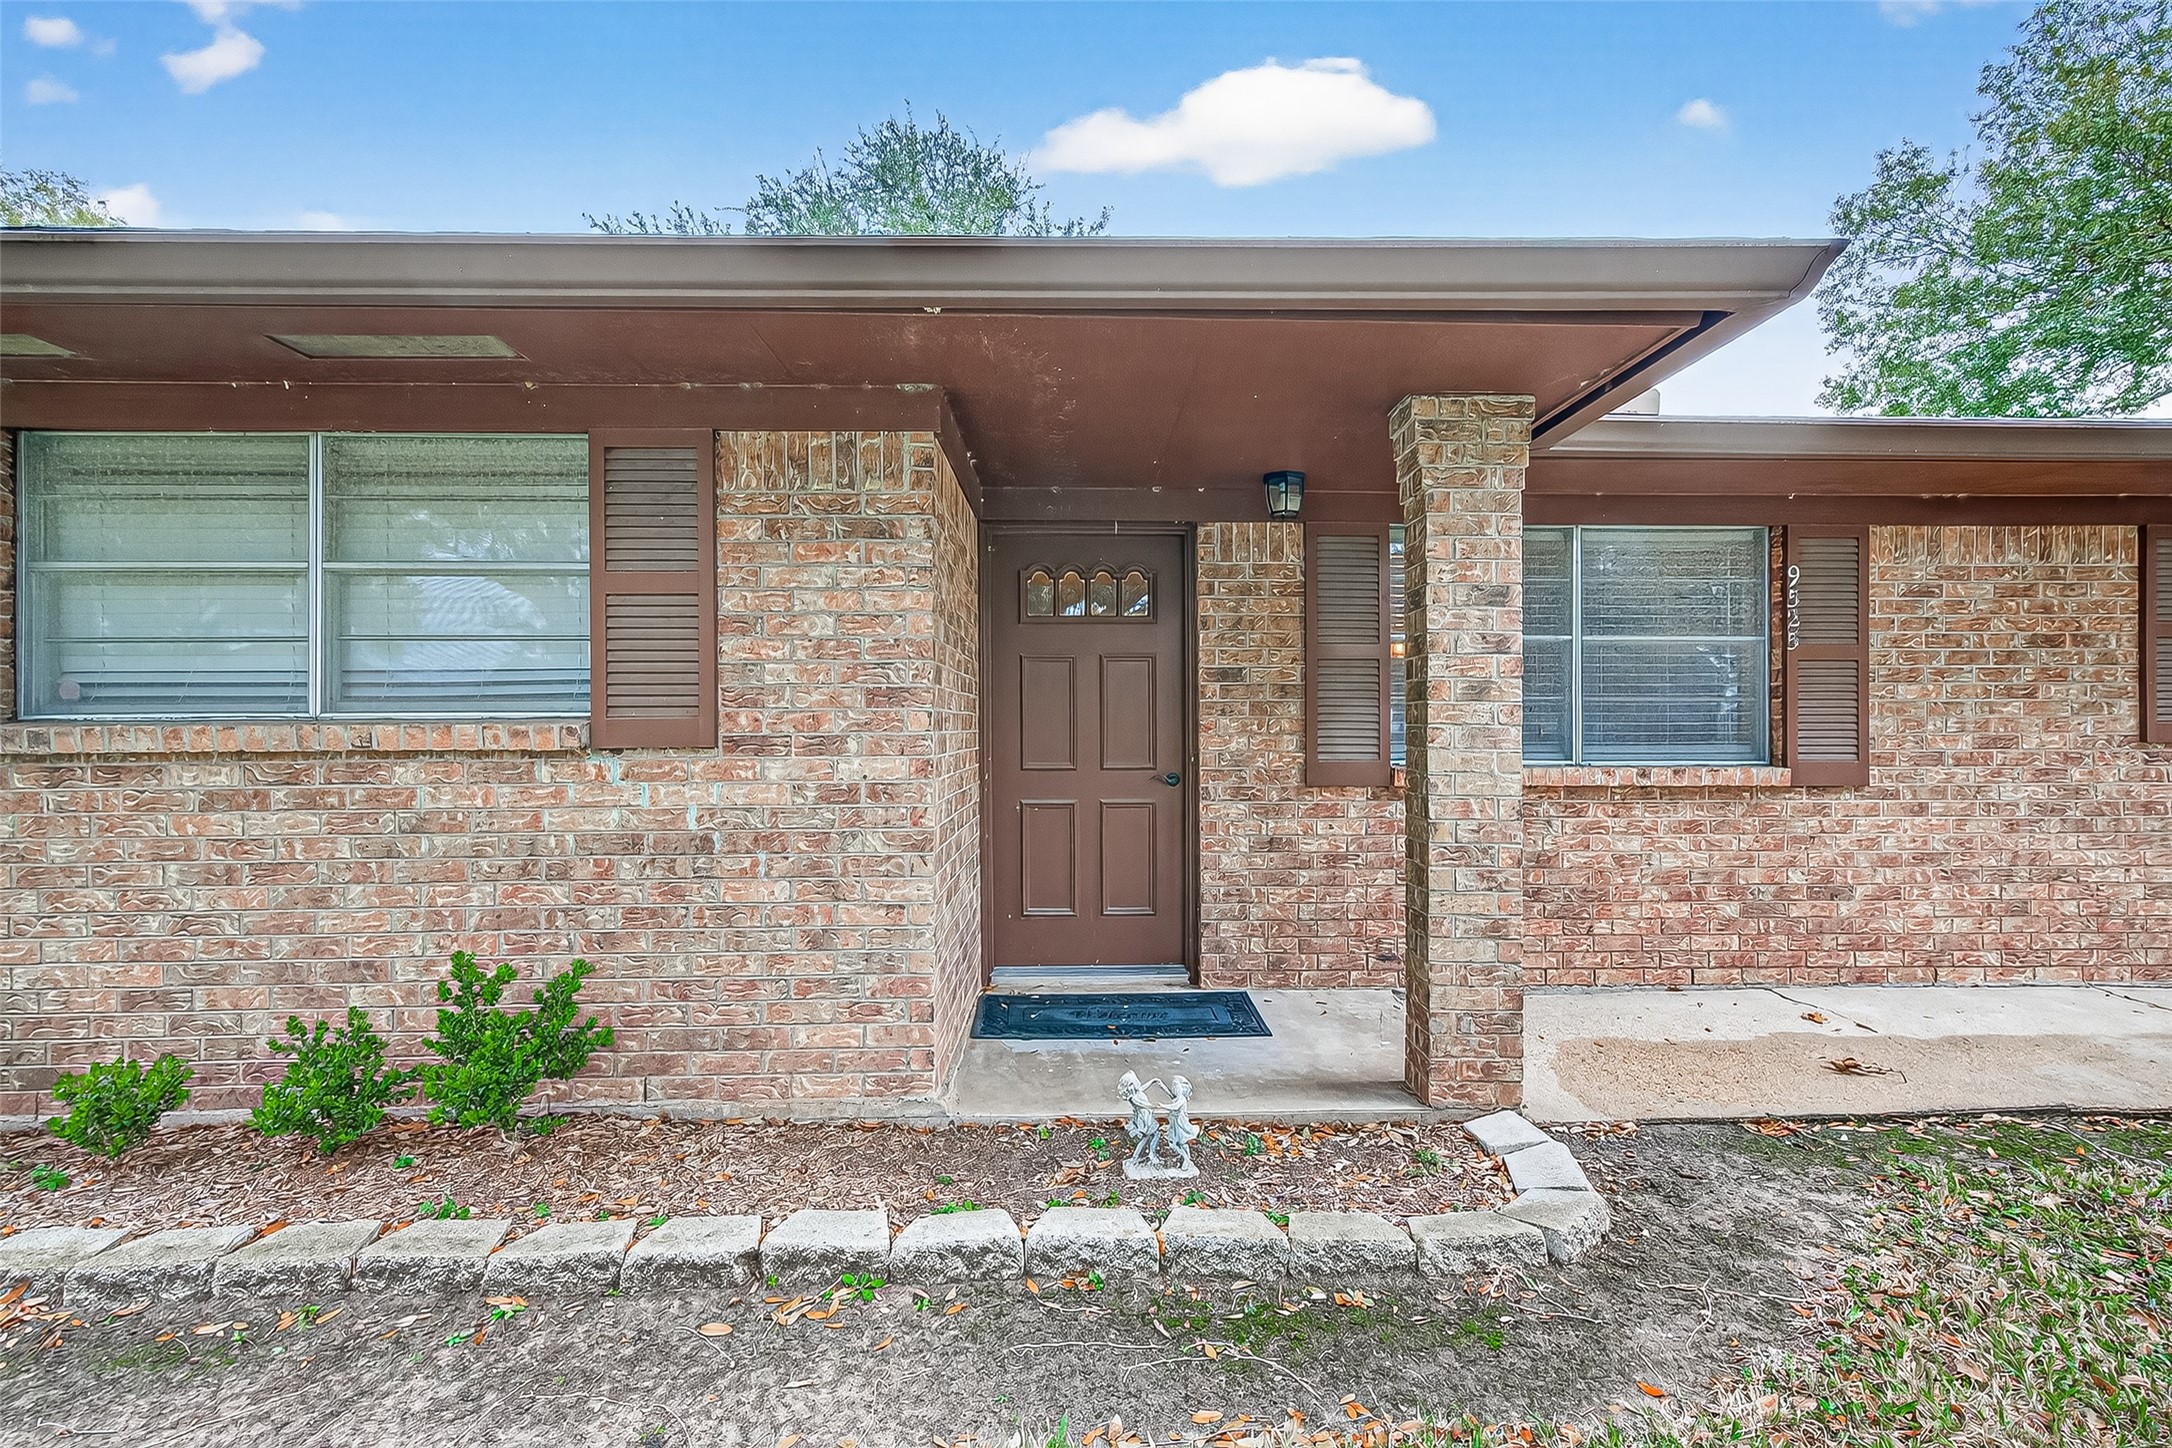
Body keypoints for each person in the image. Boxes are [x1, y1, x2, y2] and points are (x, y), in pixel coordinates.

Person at [1160, 1074, 1201, 1171]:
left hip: (1180, 1125)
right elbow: (1169, 1094)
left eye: (1176, 1088)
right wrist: (1160, 1084)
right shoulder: (1177, 1098)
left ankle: (1187, 1159)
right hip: (1175, 1125)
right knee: (1174, 1143)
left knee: (1181, 1143)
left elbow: (1175, 1107)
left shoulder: (1182, 1100)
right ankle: (1185, 1159)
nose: (1174, 1090)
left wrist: (1162, 1105)